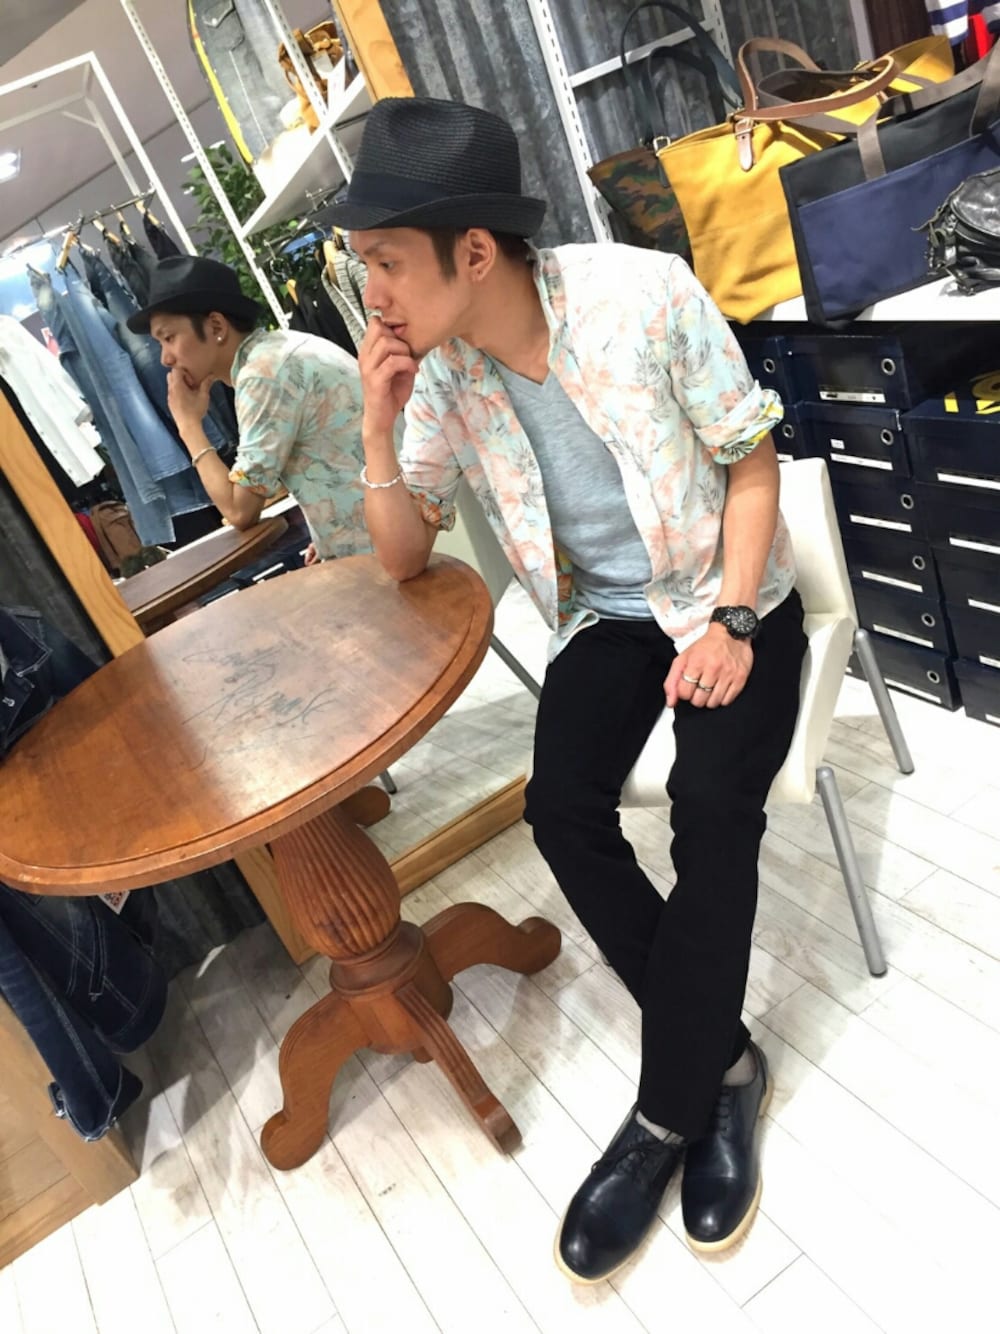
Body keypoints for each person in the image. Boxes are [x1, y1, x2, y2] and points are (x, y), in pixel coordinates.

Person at [324, 97, 807, 1283]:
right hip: (605, 615)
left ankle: (665, 1111)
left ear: (471, 252)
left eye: (385, 261)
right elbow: (402, 553)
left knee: (710, 807)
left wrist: (734, 621)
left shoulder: (642, 297)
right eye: (363, 264)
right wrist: (378, 427)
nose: (372, 291)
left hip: (727, 590)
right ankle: (723, 1063)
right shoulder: (439, 372)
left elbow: (751, 463)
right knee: (558, 810)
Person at [127, 256, 368, 563]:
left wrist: (188, 425)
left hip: (386, 551)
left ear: (216, 326)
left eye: (169, 338)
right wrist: (325, 538)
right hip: (387, 531)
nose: (165, 359)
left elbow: (239, 510)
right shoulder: (277, 349)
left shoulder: (263, 375)